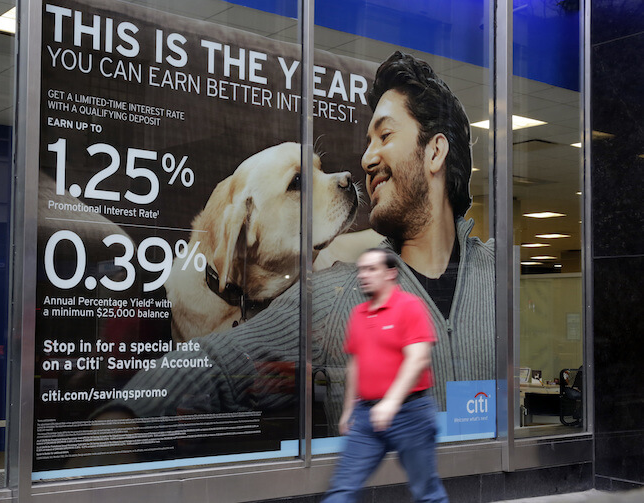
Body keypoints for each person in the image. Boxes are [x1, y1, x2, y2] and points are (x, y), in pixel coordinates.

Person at [98, 51, 494, 434]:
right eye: (368, 141)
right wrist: (118, 425)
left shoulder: (500, 279)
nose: (365, 159)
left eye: (385, 135)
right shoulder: (334, 294)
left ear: (435, 151)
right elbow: (216, 362)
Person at [322, 248, 448, 503]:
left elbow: (418, 359)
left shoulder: (410, 306)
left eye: (371, 269)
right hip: (366, 416)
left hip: (410, 414)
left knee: (426, 493)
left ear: (391, 273)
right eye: (361, 270)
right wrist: (348, 410)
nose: (363, 275)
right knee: (342, 489)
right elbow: (355, 365)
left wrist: (390, 402)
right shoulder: (358, 313)